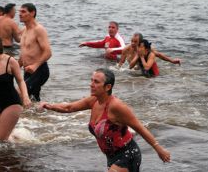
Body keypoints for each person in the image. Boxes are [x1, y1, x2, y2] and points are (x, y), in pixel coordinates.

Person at [40, 68, 170, 171]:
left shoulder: (116, 107)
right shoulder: (93, 100)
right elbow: (69, 108)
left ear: (107, 87)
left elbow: (139, 128)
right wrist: (49, 106)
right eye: (91, 80)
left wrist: (159, 149)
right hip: (111, 157)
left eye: (96, 82)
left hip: (127, 154)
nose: (91, 85)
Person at [19, 3, 52, 101]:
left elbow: (48, 52)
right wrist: (15, 66)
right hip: (27, 71)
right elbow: (25, 52)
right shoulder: (24, 30)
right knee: (33, 99)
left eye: (23, 11)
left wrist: (35, 66)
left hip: (40, 70)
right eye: (19, 12)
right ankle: (37, 115)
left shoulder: (39, 30)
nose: (20, 14)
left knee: (20, 94)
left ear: (32, 13)